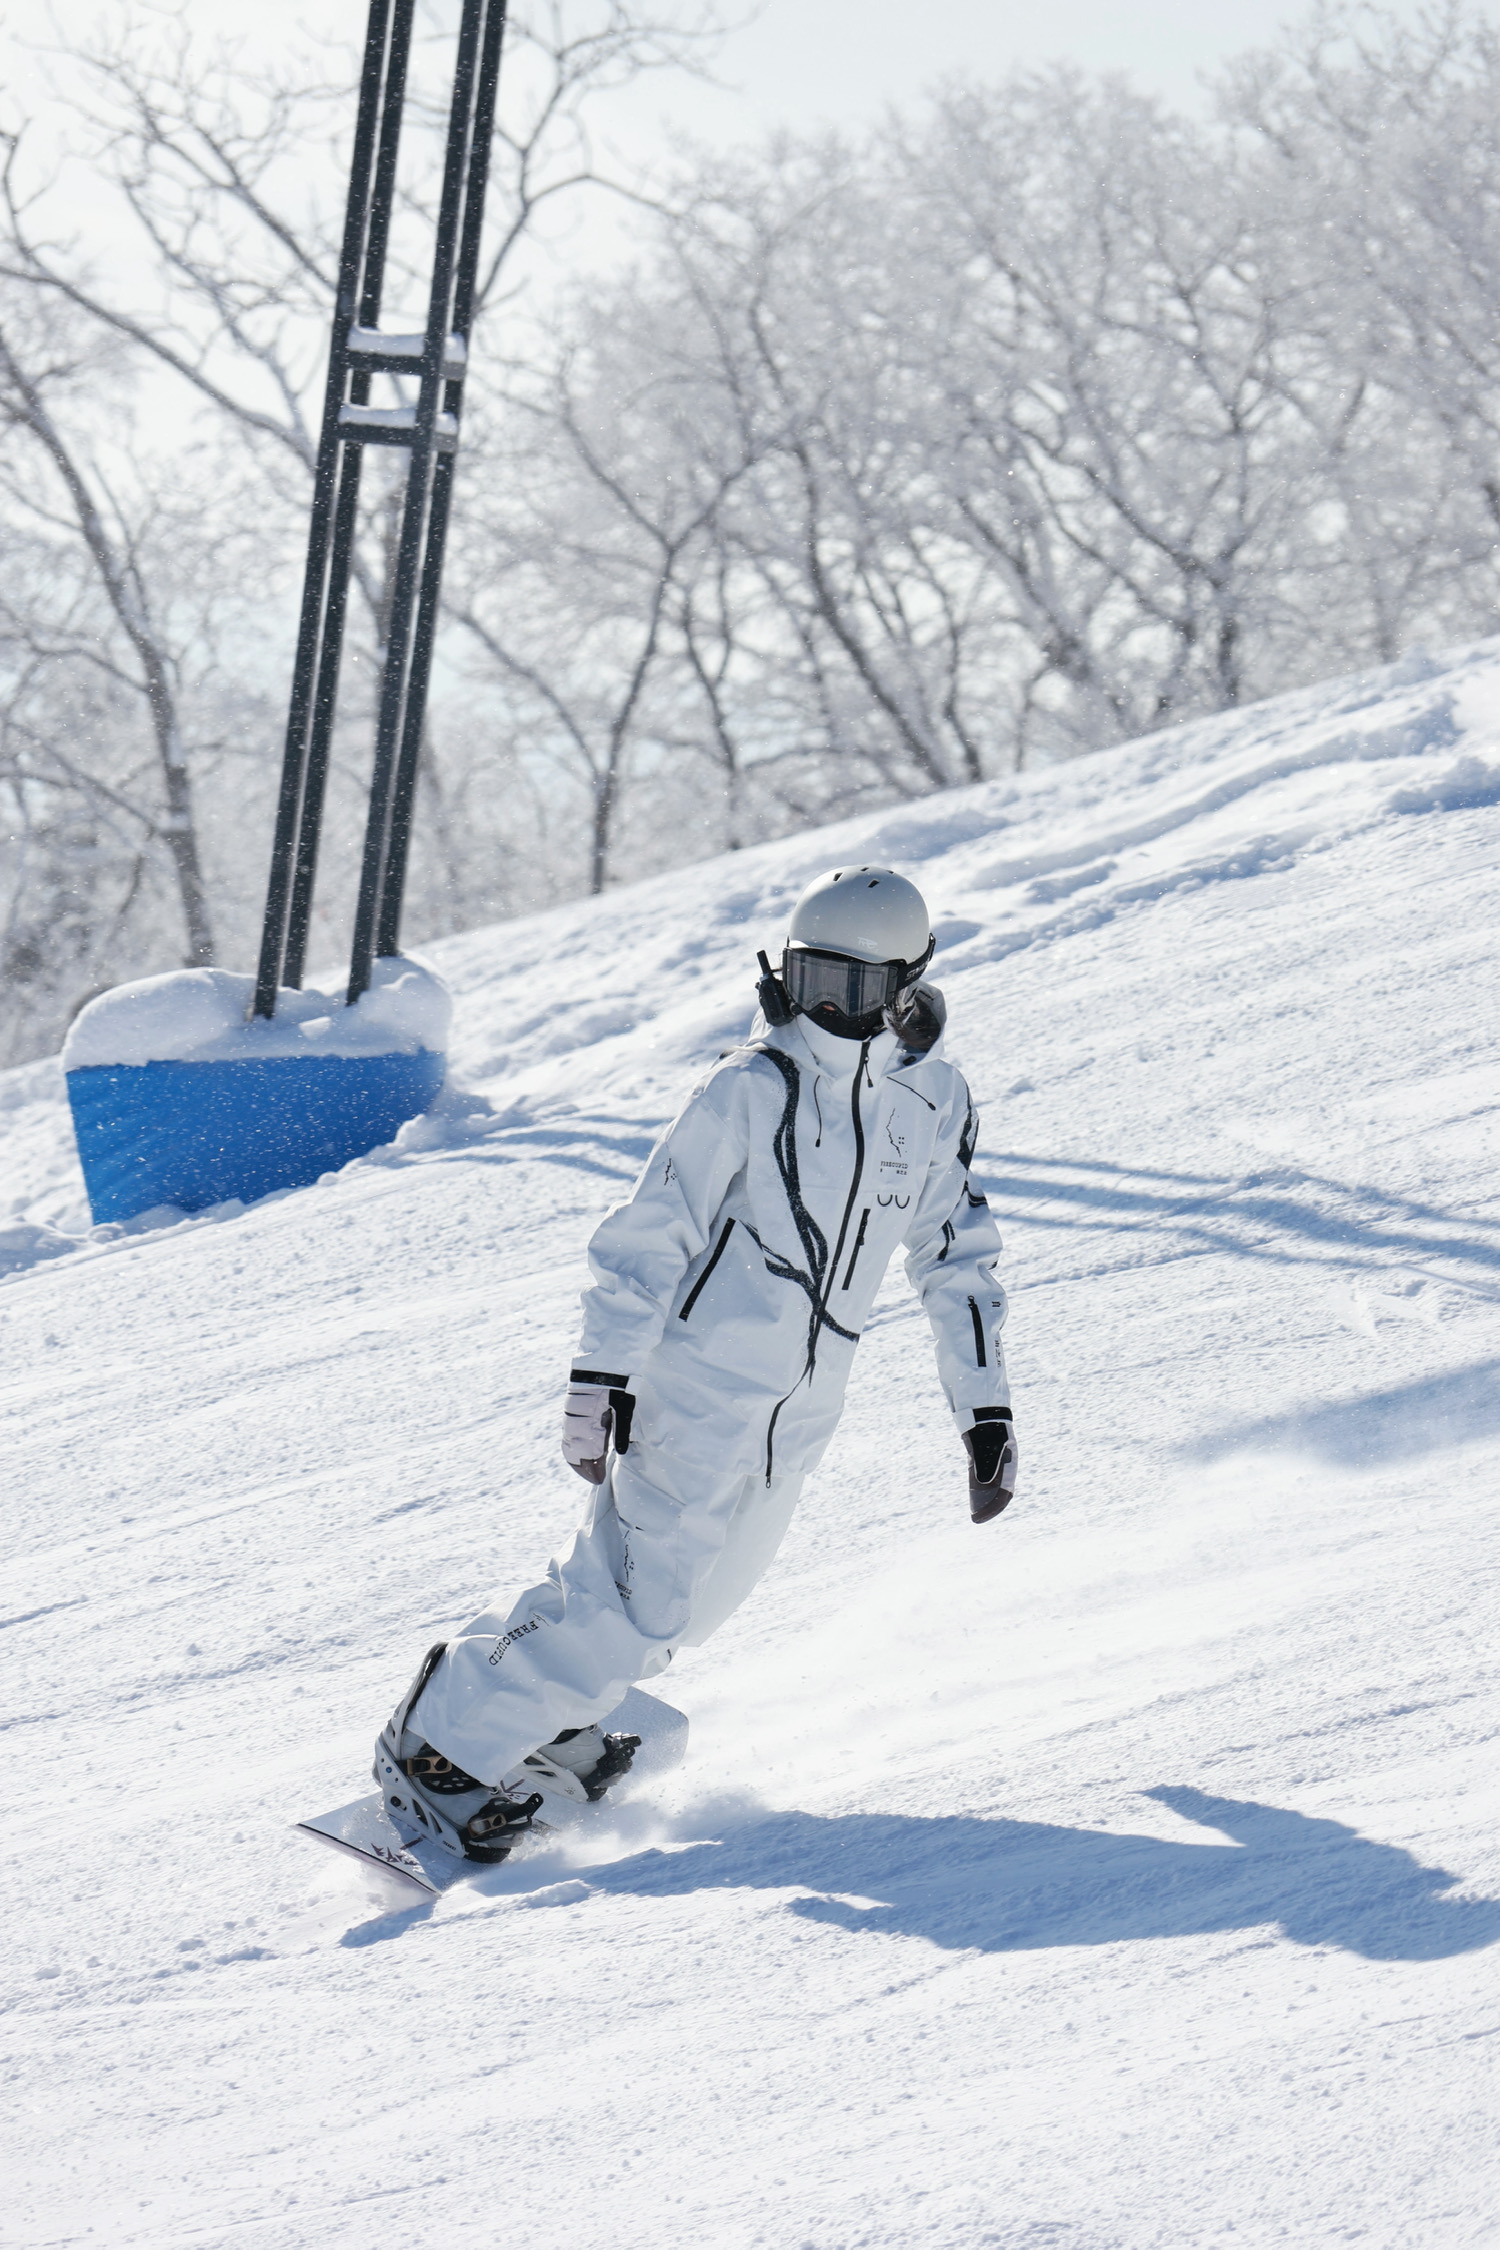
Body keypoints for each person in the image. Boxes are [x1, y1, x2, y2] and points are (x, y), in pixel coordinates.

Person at [375, 865, 1017, 1862]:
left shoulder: (931, 1103)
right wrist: (601, 1378)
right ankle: (441, 1740)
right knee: (634, 1597)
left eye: (849, 989)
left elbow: (956, 1259)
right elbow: (648, 1235)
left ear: (905, 985)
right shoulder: (749, 1088)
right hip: (698, 1388)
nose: (822, 1010)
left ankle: (555, 1729)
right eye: (807, 980)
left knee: (693, 1608)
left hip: (801, 1413)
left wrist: (985, 1411)